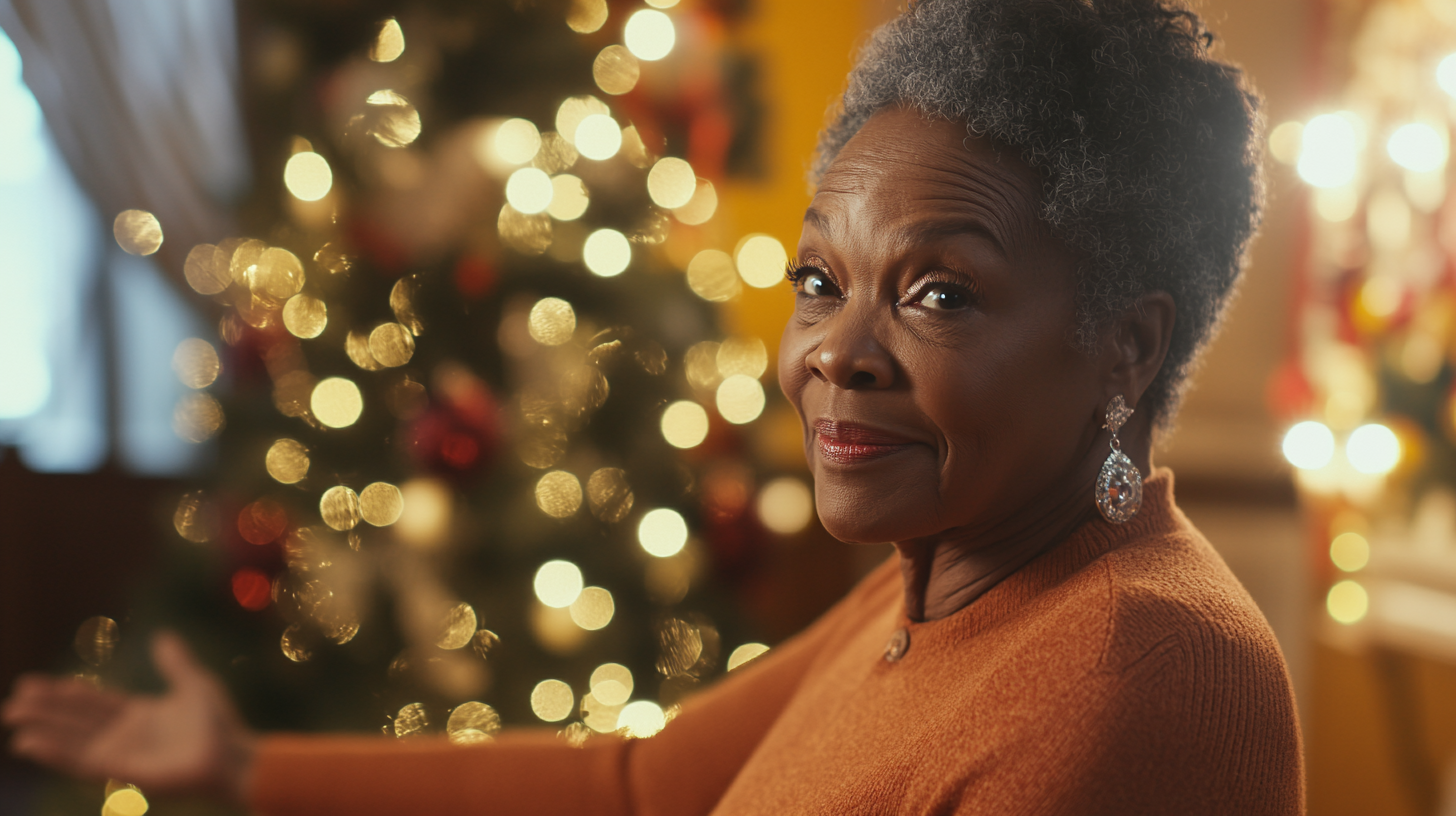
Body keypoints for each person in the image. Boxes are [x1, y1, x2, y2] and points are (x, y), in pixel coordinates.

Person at [3, 0, 1305, 813]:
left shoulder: (1144, 670)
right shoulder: (941, 577)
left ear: (1126, 348)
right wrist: (245, 770)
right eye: (819, 280)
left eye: (939, 294)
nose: (833, 355)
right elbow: (634, 785)